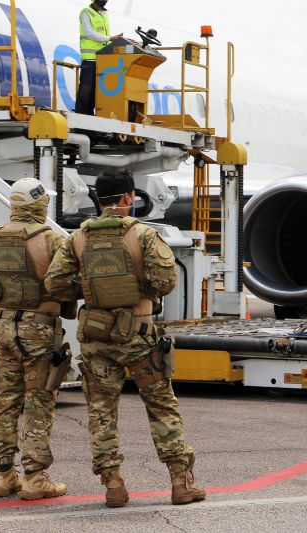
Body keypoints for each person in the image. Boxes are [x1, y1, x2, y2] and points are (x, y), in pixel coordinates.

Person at [45, 170, 205, 508]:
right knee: (161, 406)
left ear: (98, 199)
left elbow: (56, 284)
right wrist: (138, 285)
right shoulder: (144, 235)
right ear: (129, 198)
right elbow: (166, 282)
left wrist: (89, 288)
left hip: (96, 335)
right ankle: (180, 482)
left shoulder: (77, 238)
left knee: (101, 412)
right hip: (140, 334)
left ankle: (114, 485)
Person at [0, 178, 69, 500]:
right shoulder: (50, 240)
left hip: (3, 328)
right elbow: (66, 285)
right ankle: (35, 477)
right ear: (40, 205)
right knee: (39, 400)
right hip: (38, 331)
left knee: (5, 401)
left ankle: (4, 475)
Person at [76, 0, 122, 115]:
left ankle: (89, 113)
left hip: (103, 58)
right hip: (90, 58)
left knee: (97, 90)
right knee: (86, 87)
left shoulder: (104, 14)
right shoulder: (86, 12)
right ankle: (81, 113)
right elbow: (89, 33)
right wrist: (110, 38)